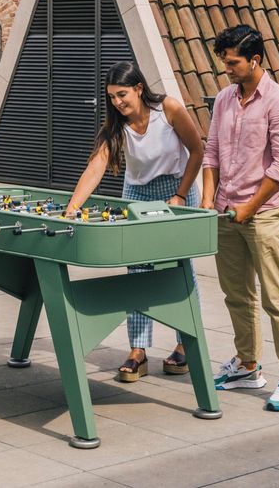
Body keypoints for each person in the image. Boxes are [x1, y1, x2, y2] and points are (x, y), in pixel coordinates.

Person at [62, 61, 204, 383]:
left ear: (139, 89)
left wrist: (181, 195)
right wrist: (72, 207)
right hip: (137, 194)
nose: (117, 102)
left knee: (181, 269)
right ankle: (138, 351)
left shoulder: (168, 109)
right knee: (137, 270)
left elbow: (197, 151)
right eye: (112, 96)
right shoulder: (116, 126)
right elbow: (96, 167)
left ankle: (186, 344)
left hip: (176, 191)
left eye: (122, 94)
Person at [203, 25, 279, 412]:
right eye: (225, 62)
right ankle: (247, 365)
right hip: (226, 211)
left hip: (265, 214)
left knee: (277, 298)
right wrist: (208, 200)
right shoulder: (224, 99)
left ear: (255, 60)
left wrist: (249, 208)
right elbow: (211, 152)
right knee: (237, 295)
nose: (226, 69)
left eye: (233, 63)